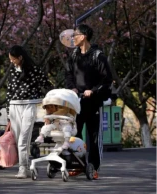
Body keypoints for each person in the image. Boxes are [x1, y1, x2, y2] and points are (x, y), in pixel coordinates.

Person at [65, 24, 113, 179]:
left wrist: (92, 90)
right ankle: (78, 165)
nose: (73, 38)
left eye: (75, 35)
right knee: (75, 134)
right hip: (77, 103)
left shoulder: (98, 56)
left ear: (83, 36)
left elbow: (107, 80)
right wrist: (72, 88)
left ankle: (94, 167)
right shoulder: (73, 55)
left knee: (93, 137)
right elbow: (68, 74)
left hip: (94, 103)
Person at [6, 45, 52, 179]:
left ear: (20, 57)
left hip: (30, 106)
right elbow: (9, 92)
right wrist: (8, 113)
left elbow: (46, 84)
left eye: (13, 59)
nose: (11, 61)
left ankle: (22, 168)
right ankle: (25, 167)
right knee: (18, 139)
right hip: (14, 107)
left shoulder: (35, 70)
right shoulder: (13, 71)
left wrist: (50, 103)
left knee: (23, 139)